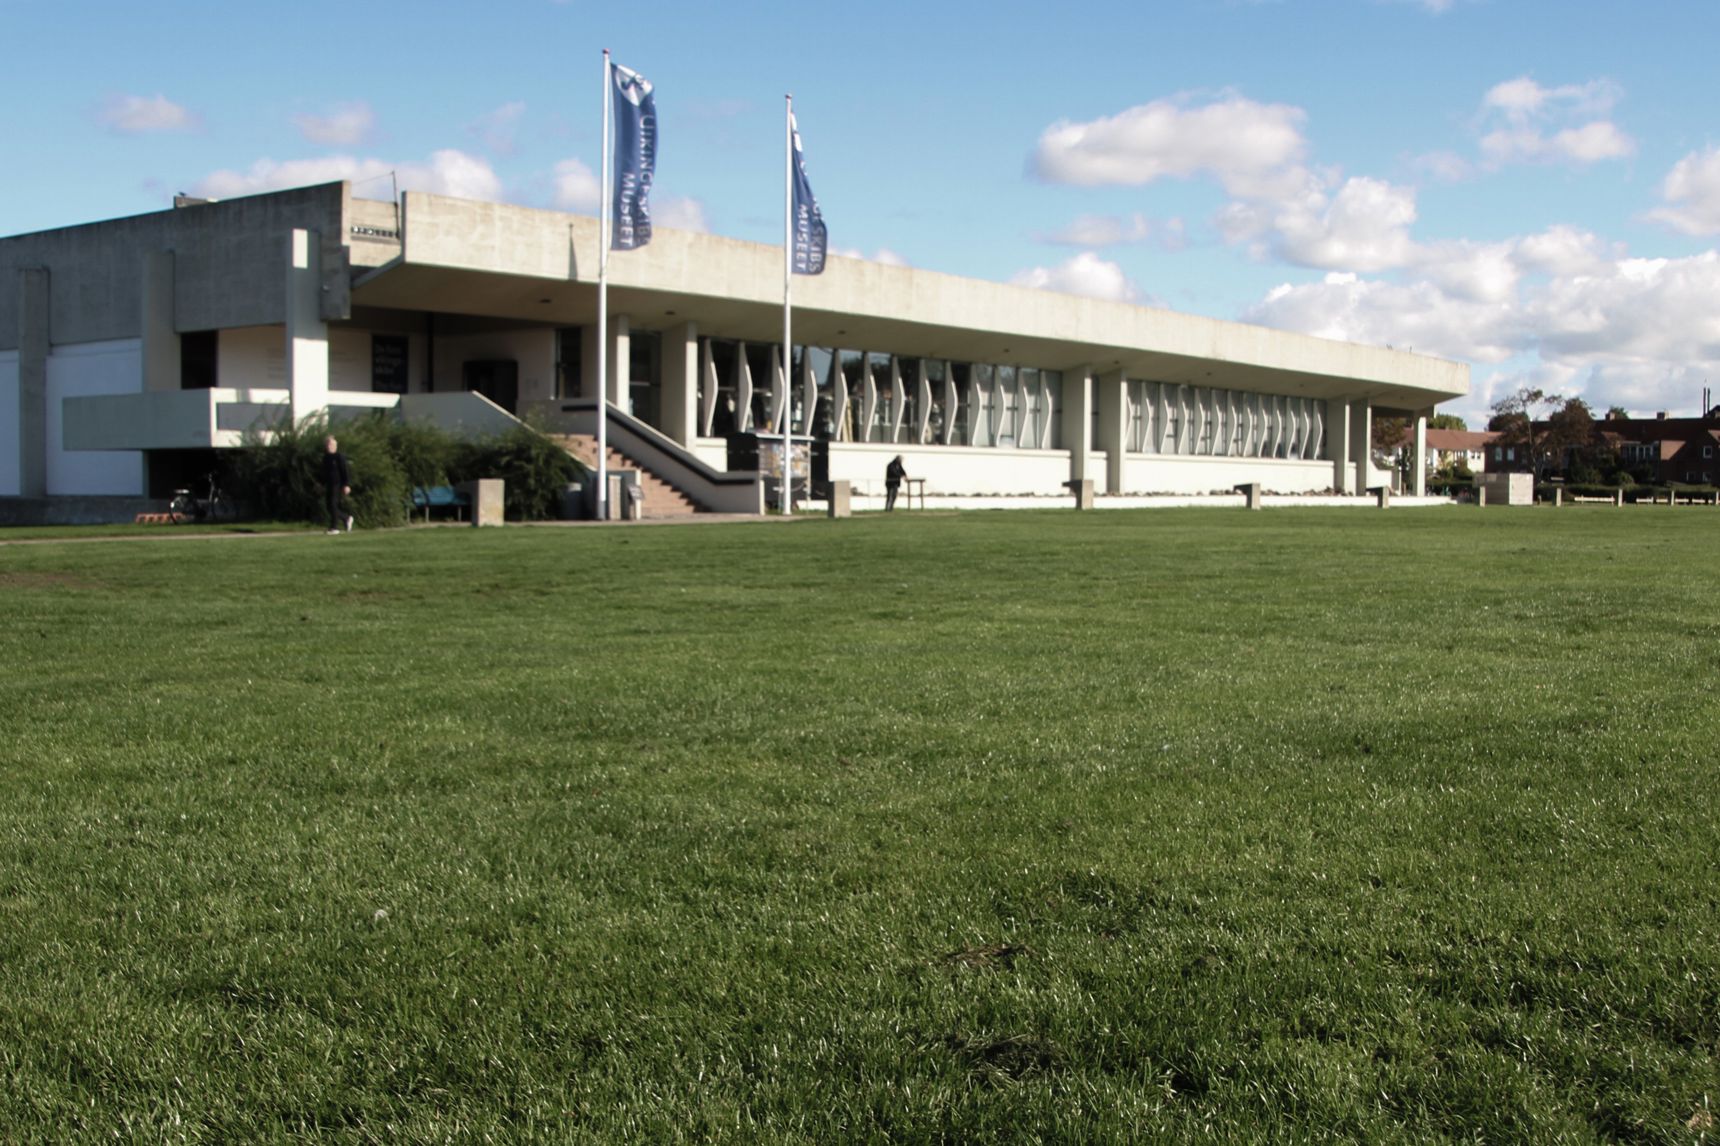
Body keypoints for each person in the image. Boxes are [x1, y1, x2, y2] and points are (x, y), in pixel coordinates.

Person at [321, 435, 353, 534]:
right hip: (329, 484)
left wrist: (346, 484)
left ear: (335, 446)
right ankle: (346, 518)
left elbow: (344, 471)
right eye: (328, 444)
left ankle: (334, 527)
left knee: (333, 504)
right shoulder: (326, 458)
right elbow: (324, 473)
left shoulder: (339, 457)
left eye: (331, 444)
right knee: (329, 506)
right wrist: (320, 484)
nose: (329, 446)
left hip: (337, 484)